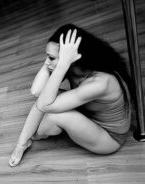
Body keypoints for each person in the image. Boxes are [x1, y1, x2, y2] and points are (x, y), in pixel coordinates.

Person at [9, 24, 133, 167]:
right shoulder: (74, 67)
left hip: (110, 137)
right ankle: (22, 143)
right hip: (90, 116)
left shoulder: (100, 82)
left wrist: (62, 64)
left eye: (50, 57)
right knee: (47, 101)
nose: (47, 61)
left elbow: (44, 105)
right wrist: (54, 62)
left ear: (71, 58)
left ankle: (31, 138)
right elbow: (36, 91)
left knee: (51, 119)